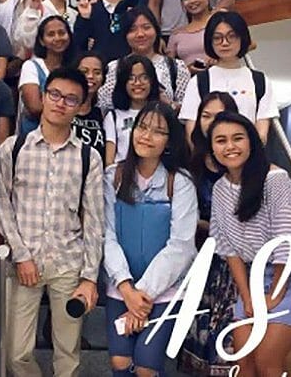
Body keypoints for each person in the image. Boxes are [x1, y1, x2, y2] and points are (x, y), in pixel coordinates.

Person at [0, 67, 104, 377]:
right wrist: (21, 254)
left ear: (81, 106)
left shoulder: (89, 157)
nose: (60, 103)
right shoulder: (13, 148)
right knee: (16, 354)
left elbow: (94, 220)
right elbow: (1, 204)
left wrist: (90, 277)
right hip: (24, 263)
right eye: (55, 94)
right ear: (43, 96)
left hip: (68, 263)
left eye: (71, 99)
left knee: (68, 355)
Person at [208, 111, 291, 377]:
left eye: (238, 138)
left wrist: (274, 296)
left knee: (266, 361)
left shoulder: (275, 179)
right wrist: (248, 297)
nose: (230, 146)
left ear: (251, 141)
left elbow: (288, 241)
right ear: (212, 148)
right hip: (254, 279)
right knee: (243, 362)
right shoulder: (220, 189)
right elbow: (229, 250)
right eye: (221, 140)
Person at [103, 101, 197, 376]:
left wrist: (142, 295)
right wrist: (127, 289)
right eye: (142, 127)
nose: (146, 136)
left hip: (165, 291)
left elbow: (181, 246)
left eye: (158, 131)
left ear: (169, 141)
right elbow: (106, 235)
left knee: (146, 365)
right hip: (120, 287)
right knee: (119, 360)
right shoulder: (113, 176)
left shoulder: (180, 182)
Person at [180, 91, 239, 376]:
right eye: (205, 116)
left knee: (232, 337)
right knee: (200, 332)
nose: (211, 121)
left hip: (237, 263)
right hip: (200, 260)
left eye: (219, 115)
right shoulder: (190, 163)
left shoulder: (242, 162)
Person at [179, 11, 279, 144]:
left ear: (242, 38)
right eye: (217, 38)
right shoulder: (199, 82)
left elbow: (262, 133)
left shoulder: (260, 80)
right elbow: (192, 132)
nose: (224, 43)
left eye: (231, 36)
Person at [99, 7, 190, 112]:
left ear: (156, 30)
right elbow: (104, 106)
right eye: (132, 30)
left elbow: (188, 110)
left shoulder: (176, 68)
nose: (140, 34)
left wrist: (169, 104)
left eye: (146, 28)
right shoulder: (114, 68)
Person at [17, 15, 76, 136]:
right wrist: (67, 109)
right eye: (51, 34)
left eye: (62, 33)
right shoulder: (31, 66)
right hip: (33, 136)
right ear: (41, 41)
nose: (57, 38)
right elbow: (34, 107)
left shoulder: (75, 68)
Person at [103, 55, 161, 166]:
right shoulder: (113, 116)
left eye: (144, 77)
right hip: (122, 173)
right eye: (131, 78)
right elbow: (109, 161)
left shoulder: (161, 114)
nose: (137, 83)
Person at [167, 0, 217, 73]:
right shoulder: (177, 33)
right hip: (190, 80)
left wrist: (219, 58)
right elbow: (169, 69)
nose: (192, 0)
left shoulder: (221, 20)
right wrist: (187, 69)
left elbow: (245, 45)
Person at [73, 52, 107, 162]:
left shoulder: (103, 114)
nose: (90, 76)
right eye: (84, 72)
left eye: (97, 73)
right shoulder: (62, 107)